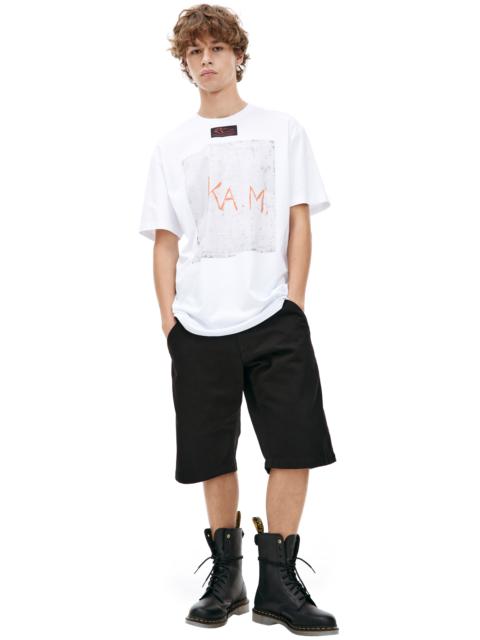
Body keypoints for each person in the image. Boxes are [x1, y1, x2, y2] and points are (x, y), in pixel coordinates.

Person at [139, 4, 339, 635]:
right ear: (185, 64)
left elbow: (298, 219)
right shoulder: (171, 147)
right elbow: (165, 241)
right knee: (210, 454)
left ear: (237, 56)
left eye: (216, 49)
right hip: (199, 325)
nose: (206, 61)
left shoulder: (282, 129)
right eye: (194, 52)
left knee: (295, 445)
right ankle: (227, 581)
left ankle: (280, 584)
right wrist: (170, 324)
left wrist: (295, 303)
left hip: (274, 315)